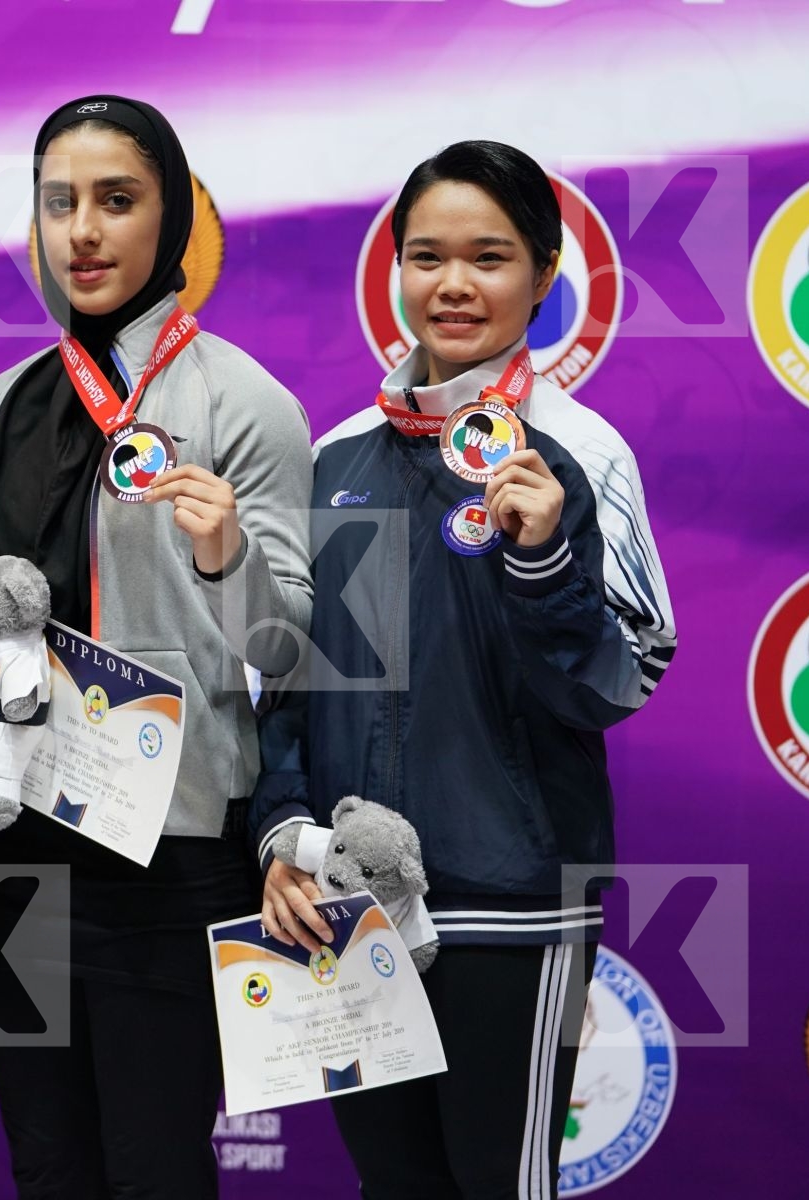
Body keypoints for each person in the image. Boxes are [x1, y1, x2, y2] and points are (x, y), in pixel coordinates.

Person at [249, 140, 678, 1199]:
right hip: (355, 900)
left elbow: (620, 682)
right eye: (427, 256)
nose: (453, 284)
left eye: (488, 257)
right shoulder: (340, 457)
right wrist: (285, 832)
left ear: (543, 272)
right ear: (394, 268)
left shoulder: (580, 451)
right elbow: (299, 682)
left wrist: (544, 562)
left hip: (512, 905)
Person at [0, 94, 313, 1198]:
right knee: (48, 1166)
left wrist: (227, 556)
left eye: (117, 200)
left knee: (155, 1170)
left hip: (173, 855)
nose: (85, 231)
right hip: (17, 853)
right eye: (60, 203)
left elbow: (289, 646)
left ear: (172, 218)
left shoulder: (245, 402)